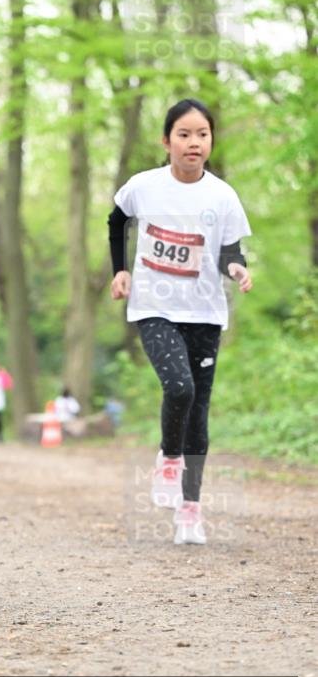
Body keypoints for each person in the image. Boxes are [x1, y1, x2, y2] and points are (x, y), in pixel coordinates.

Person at [108, 98, 252, 546]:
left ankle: (190, 509)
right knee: (179, 388)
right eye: (184, 134)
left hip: (205, 312)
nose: (194, 143)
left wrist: (237, 268)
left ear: (211, 140)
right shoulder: (144, 186)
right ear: (166, 140)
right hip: (153, 307)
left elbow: (231, 250)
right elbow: (117, 220)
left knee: (200, 412)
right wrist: (121, 268)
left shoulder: (222, 195)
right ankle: (169, 458)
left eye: (202, 134)